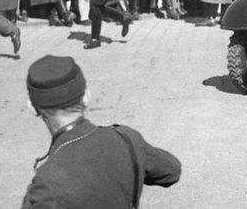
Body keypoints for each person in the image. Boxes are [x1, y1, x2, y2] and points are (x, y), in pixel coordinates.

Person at [22, 55, 181, 208]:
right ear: (86, 97)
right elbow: (171, 171)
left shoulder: (47, 182)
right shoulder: (127, 138)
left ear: (32, 108)